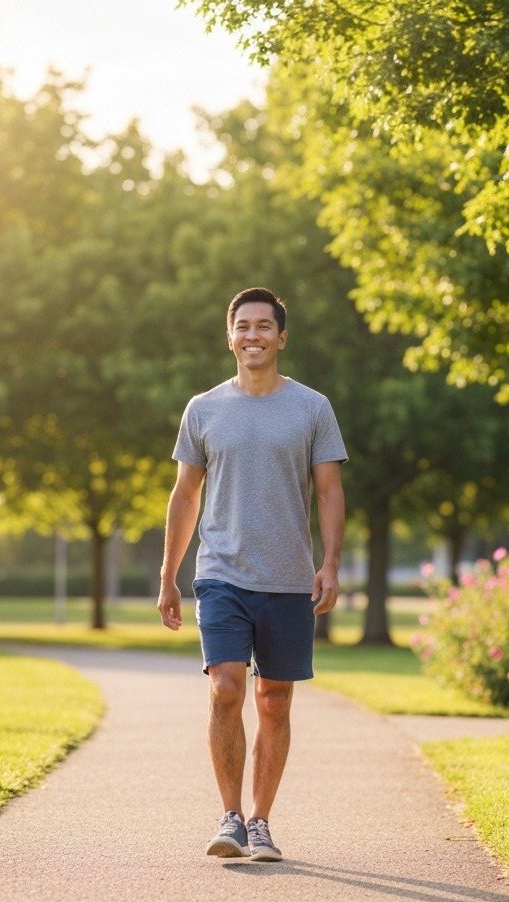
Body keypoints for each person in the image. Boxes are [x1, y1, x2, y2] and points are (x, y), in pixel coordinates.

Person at [157, 286, 347, 862]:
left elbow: (330, 491)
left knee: (274, 701)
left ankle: (261, 822)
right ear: (230, 335)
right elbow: (185, 495)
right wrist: (169, 574)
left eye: (264, 326)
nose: (253, 335)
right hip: (221, 574)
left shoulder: (312, 408)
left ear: (281, 337)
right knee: (226, 690)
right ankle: (230, 817)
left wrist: (331, 564)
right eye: (243, 326)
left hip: (288, 579)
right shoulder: (204, 409)